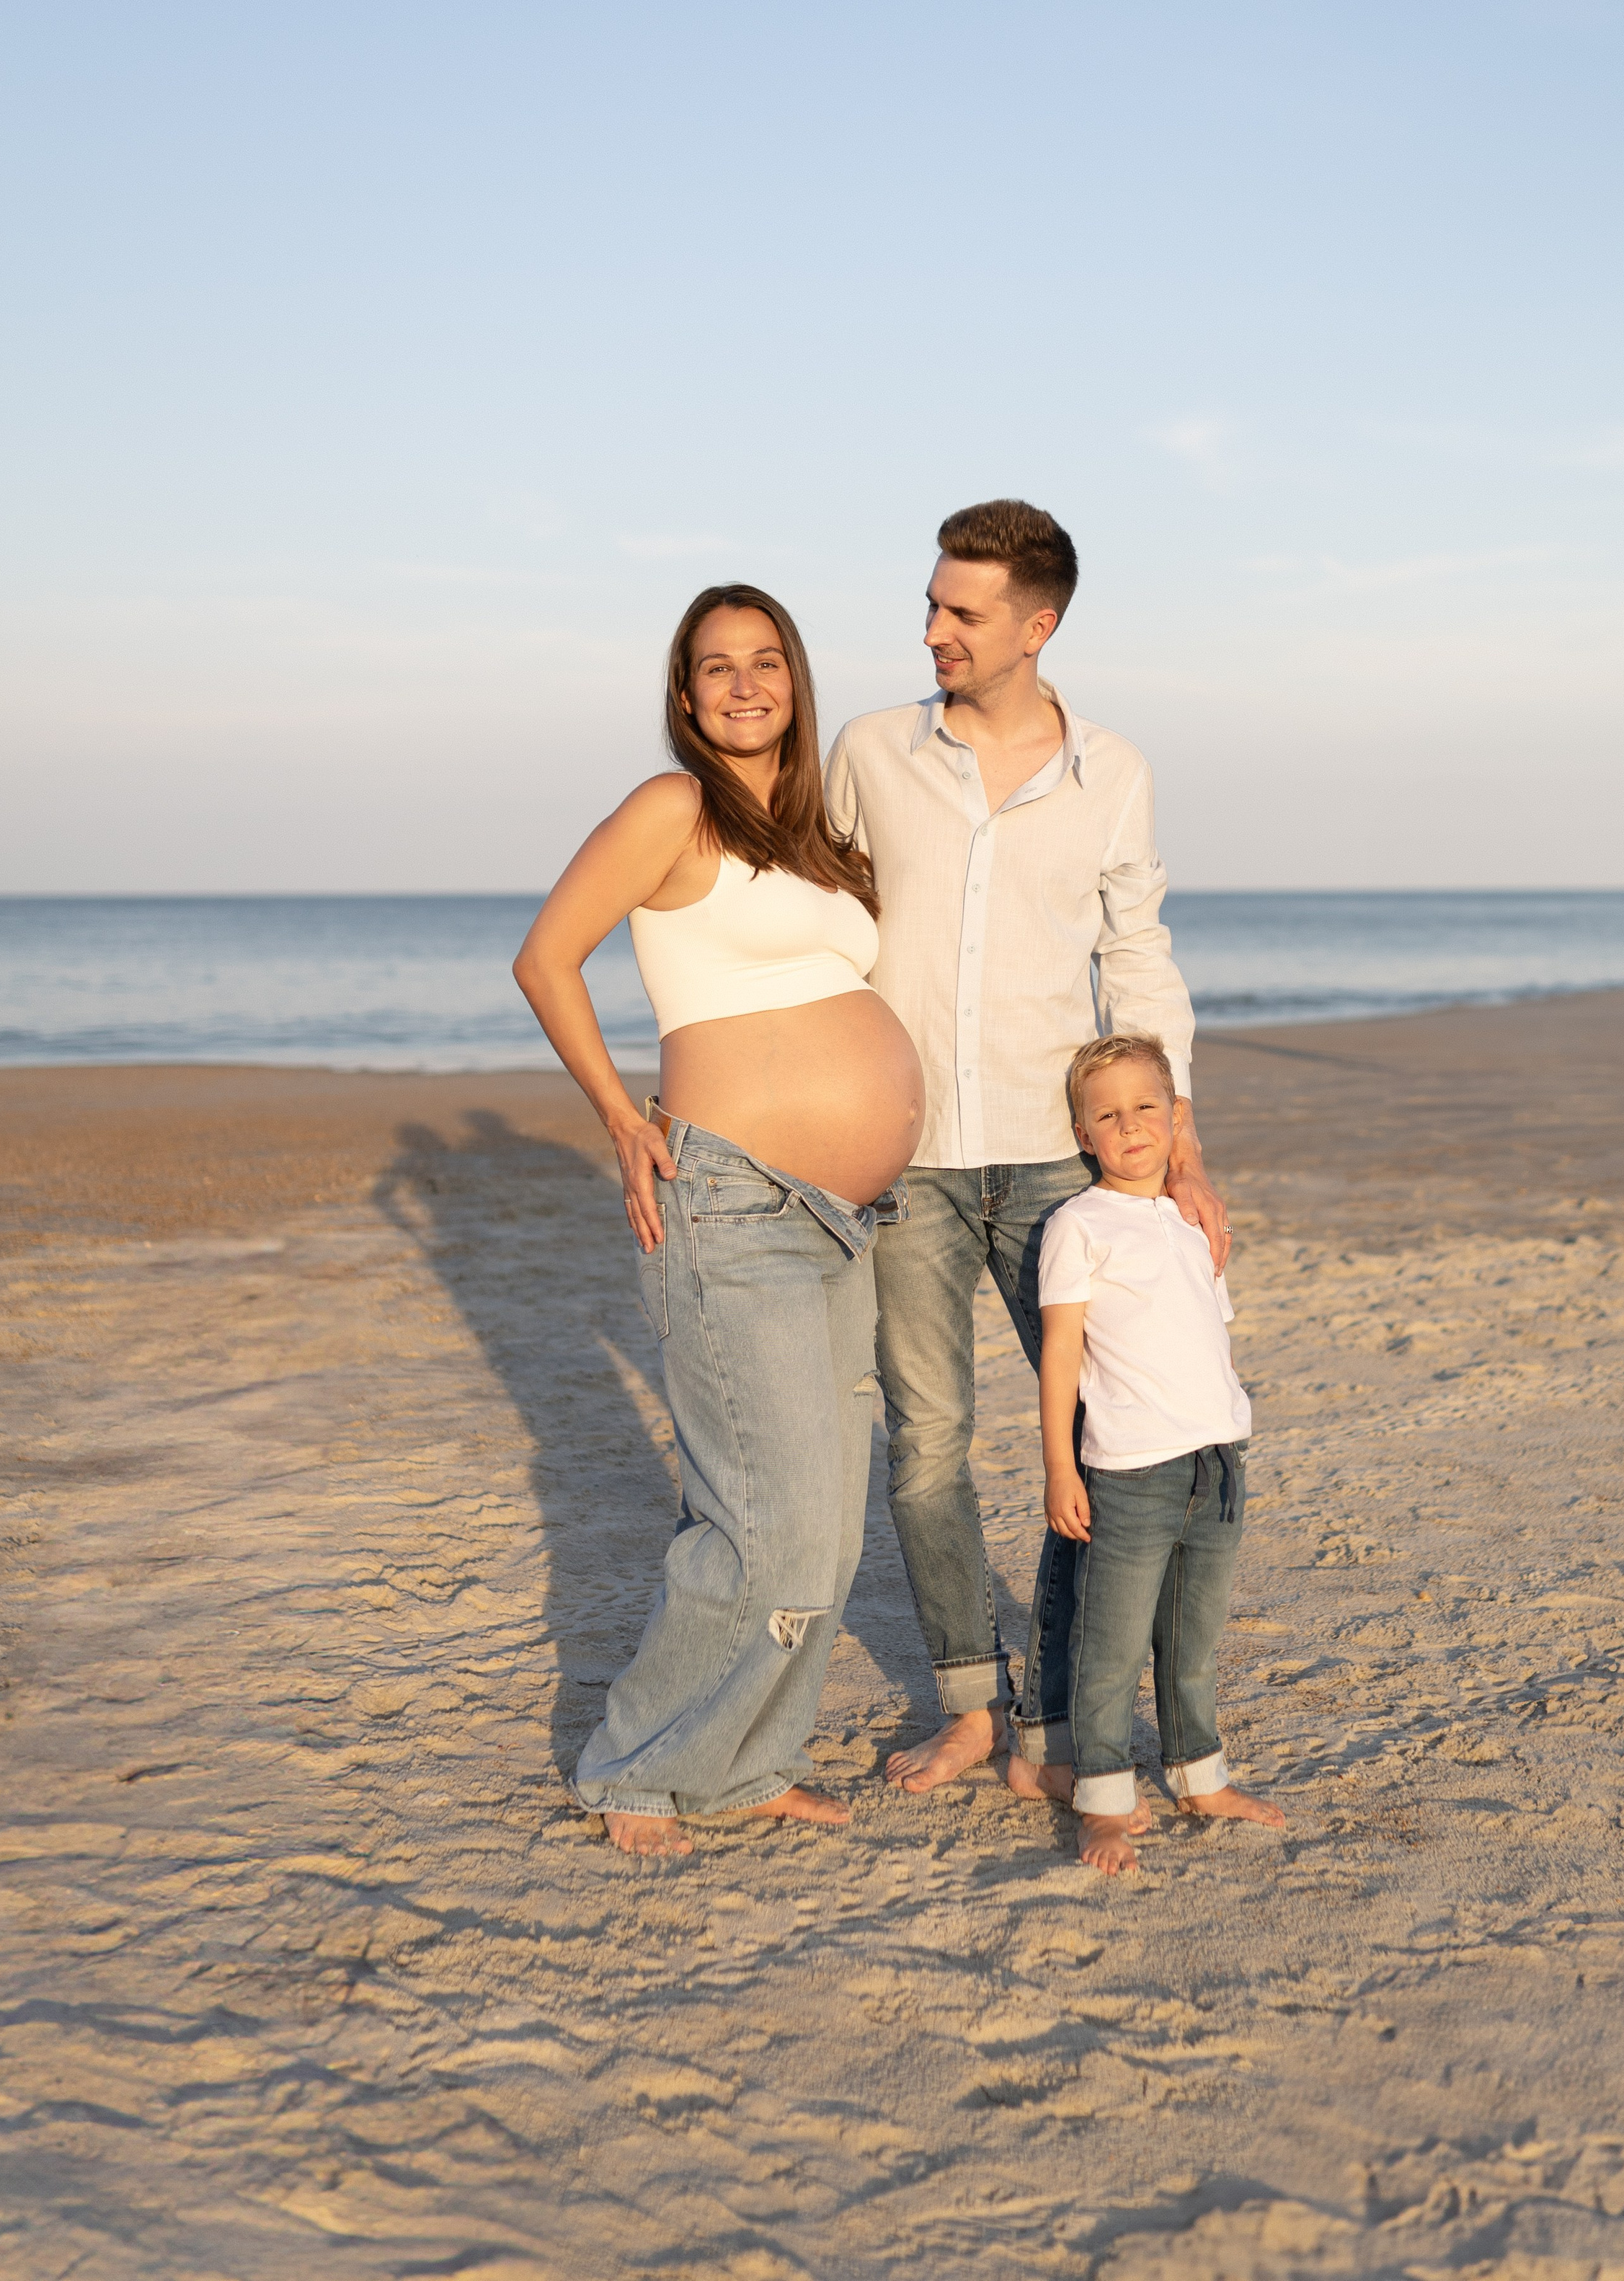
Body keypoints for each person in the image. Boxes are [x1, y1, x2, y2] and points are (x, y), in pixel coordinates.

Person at [822, 498, 1229, 1797]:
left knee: (1106, 1432)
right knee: (928, 1444)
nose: (933, 628)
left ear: (1036, 626)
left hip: (1059, 1165)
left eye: (963, 611)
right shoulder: (872, 751)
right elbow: (818, 928)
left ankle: (1059, 1712)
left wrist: (1182, 1145)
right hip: (907, 1158)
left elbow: (1139, 958)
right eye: (933, 603)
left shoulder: (1114, 772)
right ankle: (969, 1701)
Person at [514, 585, 923, 1856]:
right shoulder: (671, 809)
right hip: (732, 1200)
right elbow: (545, 955)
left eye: (765, 662)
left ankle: (749, 1762)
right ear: (684, 696)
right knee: (761, 1514)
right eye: (715, 667)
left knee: (829, 1514)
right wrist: (620, 1122)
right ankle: (641, 1767)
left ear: (794, 678)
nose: (744, 684)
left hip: (843, 1218)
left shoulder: (813, 837)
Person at [1034, 1033, 1283, 1872]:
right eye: (1106, 1114)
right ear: (1082, 1133)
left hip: (1215, 1460)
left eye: (1146, 1107)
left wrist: (1230, 1432)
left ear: (1176, 1118)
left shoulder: (1190, 1217)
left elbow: (1209, 1333)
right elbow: (1061, 1354)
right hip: (1130, 1471)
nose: (1129, 1125)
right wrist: (1060, 1469)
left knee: (1192, 1637)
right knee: (1108, 1644)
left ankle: (1199, 1775)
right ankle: (1100, 1799)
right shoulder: (1077, 1224)